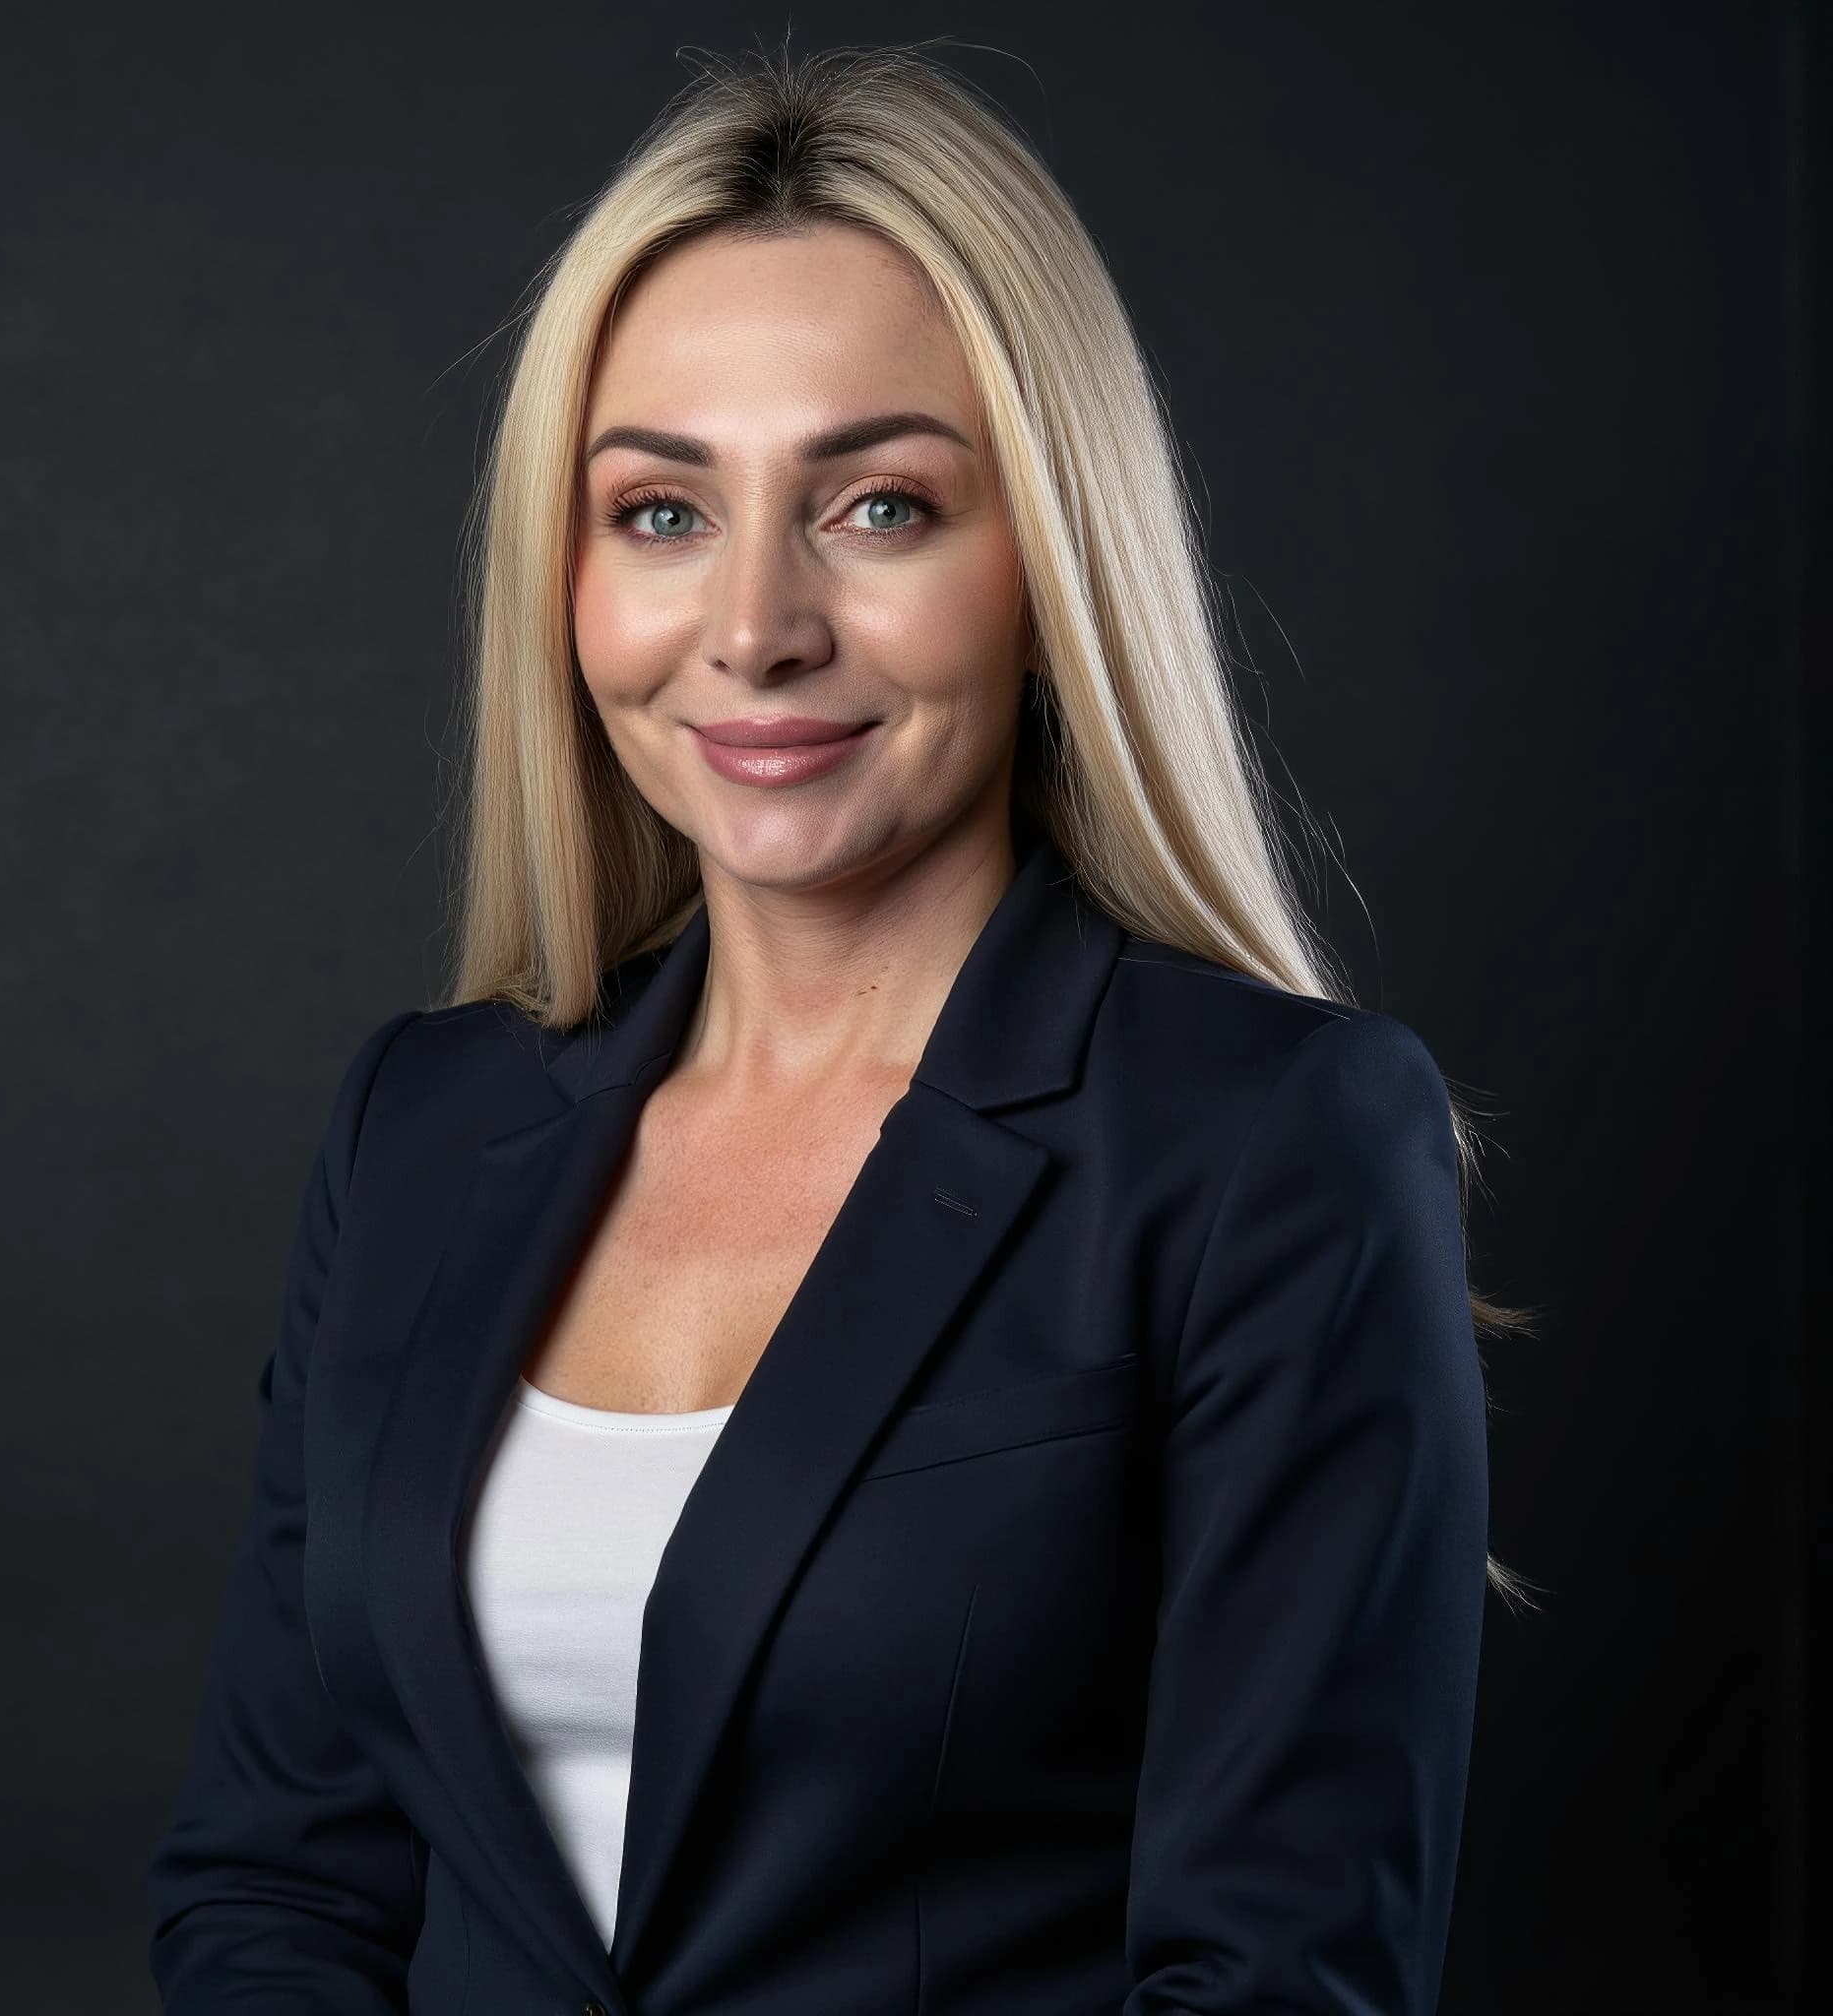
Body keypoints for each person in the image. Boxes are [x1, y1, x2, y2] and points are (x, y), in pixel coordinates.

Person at [147, 37, 1527, 2016]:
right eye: (659, 513)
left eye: (878, 507)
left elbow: (1271, 1973)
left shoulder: (1271, 1141)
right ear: (565, 576)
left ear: (1044, 561)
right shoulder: (419, 1126)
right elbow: (277, 1880)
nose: (755, 626)